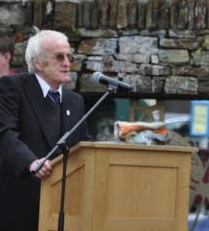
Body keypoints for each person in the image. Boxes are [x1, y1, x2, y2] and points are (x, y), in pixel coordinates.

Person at [0, 30, 92, 231]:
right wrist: (30, 162)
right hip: (19, 206)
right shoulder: (12, 87)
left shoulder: (74, 101)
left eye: (69, 57)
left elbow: (84, 147)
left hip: (62, 209)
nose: (67, 63)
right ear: (38, 63)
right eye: (59, 57)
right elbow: (5, 134)